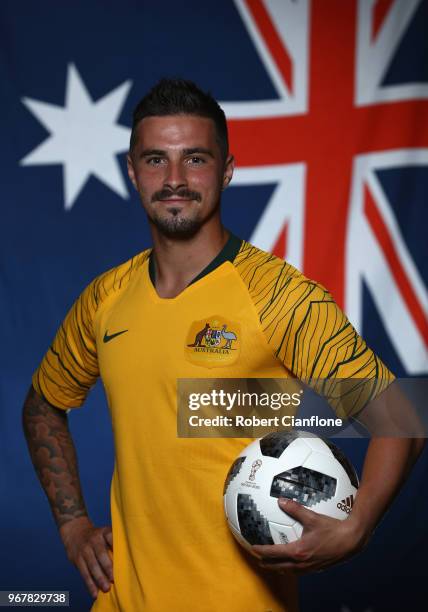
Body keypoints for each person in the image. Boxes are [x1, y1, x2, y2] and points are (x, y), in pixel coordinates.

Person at [22, 79, 425, 612]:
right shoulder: (105, 298)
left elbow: (401, 420)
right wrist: (73, 526)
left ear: (227, 170)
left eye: (194, 159)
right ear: (132, 172)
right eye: (155, 160)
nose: (174, 180)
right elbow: (43, 404)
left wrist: (357, 526)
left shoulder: (280, 296)